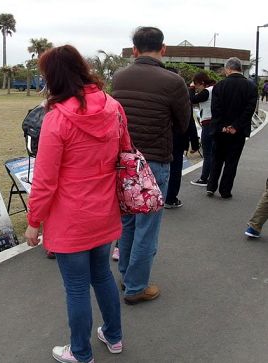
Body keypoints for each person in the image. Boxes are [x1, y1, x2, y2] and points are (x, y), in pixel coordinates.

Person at [24, 45, 130, 363]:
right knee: (102, 276)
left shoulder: (57, 120)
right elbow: (125, 152)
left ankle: (81, 352)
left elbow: (45, 181)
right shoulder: (113, 106)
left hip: (71, 218)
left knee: (76, 287)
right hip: (105, 210)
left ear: (52, 78)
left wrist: (33, 221)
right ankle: (113, 336)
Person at [111, 27, 190, 304]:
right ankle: (135, 287)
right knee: (147, 227)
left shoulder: (119, 77)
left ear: (134, 50)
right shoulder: (174, 81)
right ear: (163, 49)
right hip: (154, 162)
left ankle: (126, 276)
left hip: (122, 162)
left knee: (127, 223)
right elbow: (183, 123)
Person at [206, 57, 258, 199]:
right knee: (232, 161)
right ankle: (225, 190)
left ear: (228, 68)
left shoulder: (219, 85)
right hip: (238, 131)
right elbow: (249, 110)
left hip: (220, 130)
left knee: (217, 159)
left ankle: (211, 187)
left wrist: (223, 126)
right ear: (240, 68)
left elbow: (215, 109)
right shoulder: (251, 87)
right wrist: (235, 126)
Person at [165, 68, 200, 208]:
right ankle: (171, 198)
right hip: (177, 138)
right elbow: (189, 121)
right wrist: (195, 143)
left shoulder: (156, 91)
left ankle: (154, 197)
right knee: (175, 168)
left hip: (157, 137)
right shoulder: (182, 94)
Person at [190, 72, 216, 187]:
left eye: (196, 85)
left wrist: (190, 88)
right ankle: (211, 178)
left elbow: (192, 99)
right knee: (213, 153)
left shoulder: (207, 91)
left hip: (208, 124)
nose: (196, 87)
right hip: (216, 124)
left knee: (208, 154)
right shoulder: (215, 88)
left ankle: (204, 178)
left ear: (202, 83)